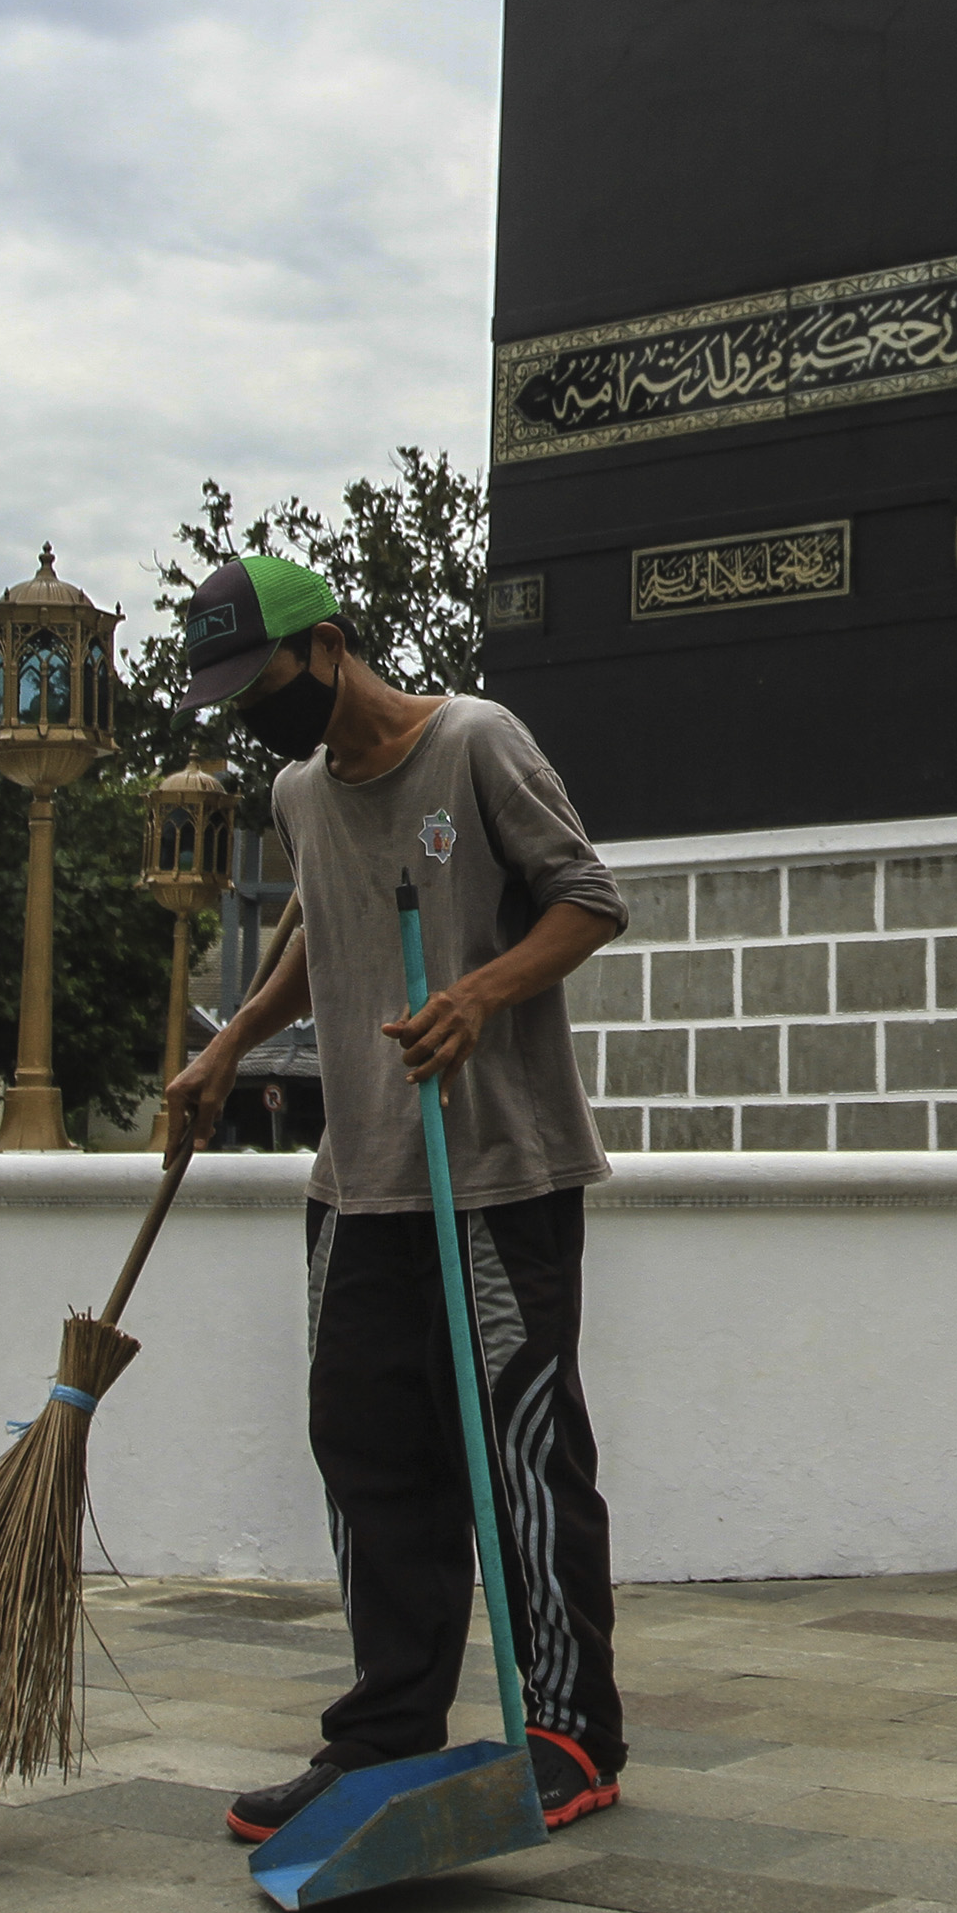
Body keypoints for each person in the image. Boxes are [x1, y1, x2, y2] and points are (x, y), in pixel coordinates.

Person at [160, 554, 630, 1843]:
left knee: (521, 1447)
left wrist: (477, 994)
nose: (252, 712)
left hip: (496, 1173)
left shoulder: (476, 742)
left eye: (260, 681)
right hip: (361, 1179)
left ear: (328, 646)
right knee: (366, 1453)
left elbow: (589, 899)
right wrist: (228, 1045)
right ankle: (385, 1733)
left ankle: (569, 1732)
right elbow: (324, 927)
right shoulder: (298, 791)